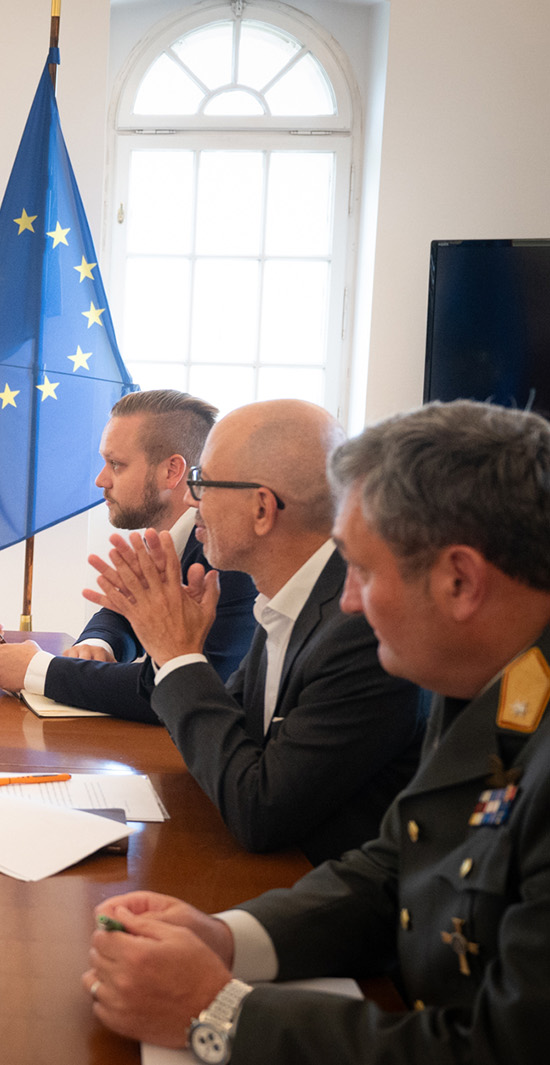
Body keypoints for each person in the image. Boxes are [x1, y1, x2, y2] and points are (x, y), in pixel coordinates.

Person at [84, 400, 550, 1064]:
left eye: (364, 570)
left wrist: (219, 1013)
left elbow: (504, 1048)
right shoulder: (481, 674)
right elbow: (394, 867)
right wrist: (227, 938)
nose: (349, 599)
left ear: (459, 581)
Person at [82, 399, 423, 864]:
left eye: (202, 483)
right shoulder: (286, 596)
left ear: (262, 508)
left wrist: (179, 657)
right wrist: (174, 651)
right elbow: (229, 746)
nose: (190, 500)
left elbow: (258, 811)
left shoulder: (361, 630)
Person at [0, 390, 258, 721]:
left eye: (116, 464)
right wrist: (99, 644)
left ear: (172, 471)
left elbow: (185, 688)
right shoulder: (167, 539)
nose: (100, 480)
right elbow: (123, 612)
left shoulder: (225, 557)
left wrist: (39, 670)